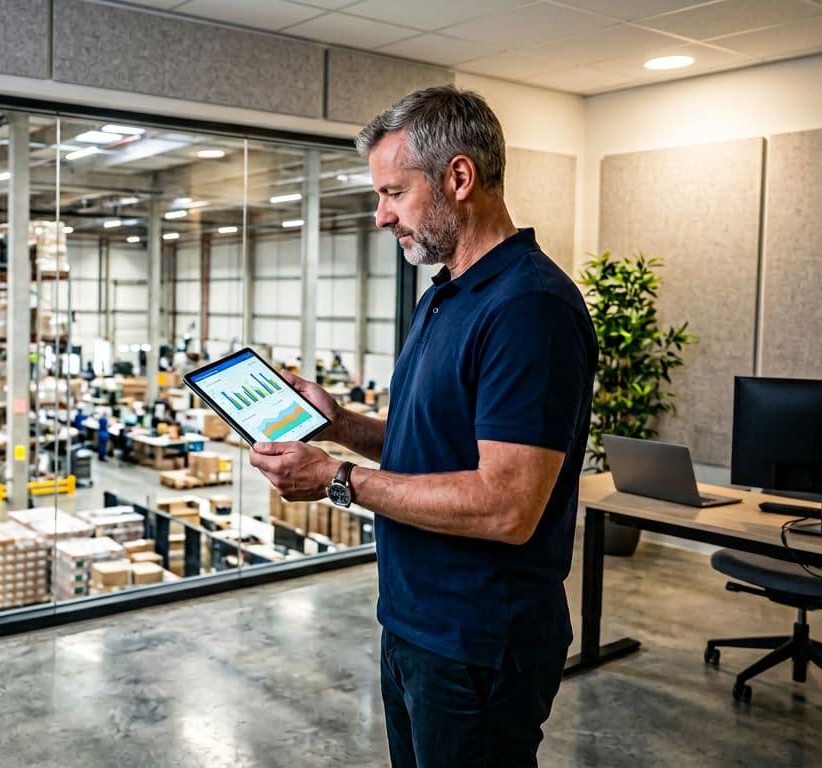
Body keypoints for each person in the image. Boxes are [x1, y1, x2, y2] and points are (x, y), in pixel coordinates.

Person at [248, 85, 596, 768]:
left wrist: (339, 482)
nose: (381, 216)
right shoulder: (445, 295)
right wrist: (340, 424)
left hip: (478, 641)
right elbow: (431, 445)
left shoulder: (529, 309)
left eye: (394, 193)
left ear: (458, 178)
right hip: (414, 623)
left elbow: (507, 507)